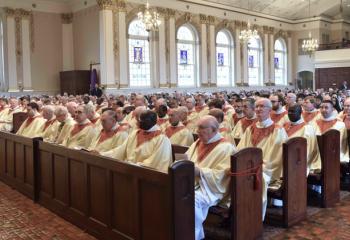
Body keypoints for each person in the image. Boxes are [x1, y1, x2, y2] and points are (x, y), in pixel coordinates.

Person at [185, 115, 236, 240]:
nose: (197, 131)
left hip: (211, 188)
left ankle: (194, 235)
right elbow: (187, 159)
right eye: (198, 127)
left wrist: (200, 172)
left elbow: (223, 175)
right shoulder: (198, 142)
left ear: (214, 130)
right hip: (192, 182)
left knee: (191, 199)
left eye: (202, 128)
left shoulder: (226, 147)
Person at [237, 98, 288, 218]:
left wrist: (258, 167)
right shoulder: (251, 128)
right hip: (249, 166)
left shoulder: (278, 130)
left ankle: (253, 216)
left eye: (262, 106)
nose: (259, 109)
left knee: (256, 179)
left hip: (266, 169)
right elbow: (241, 149)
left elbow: (276, 157)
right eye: (257, 106)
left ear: (270, 110)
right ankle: (238, 213)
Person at [100, 110, 172, 172]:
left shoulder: (162, 139)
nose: (138, 123)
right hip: (129, 170)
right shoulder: (135, 133)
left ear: (151, 122)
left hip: (144, 175)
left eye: (142, 121)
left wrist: (134, 166)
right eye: (139, 120)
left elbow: (155, 162)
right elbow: (121, 150)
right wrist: (102, 154)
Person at [283, 104, 320, 173]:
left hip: (298, 159)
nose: (290, 114)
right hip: (283, 156)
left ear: (300, 113)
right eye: (289, 111)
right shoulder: (285, 126)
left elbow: (309, 149)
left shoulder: (307, 128)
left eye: (293, 111)